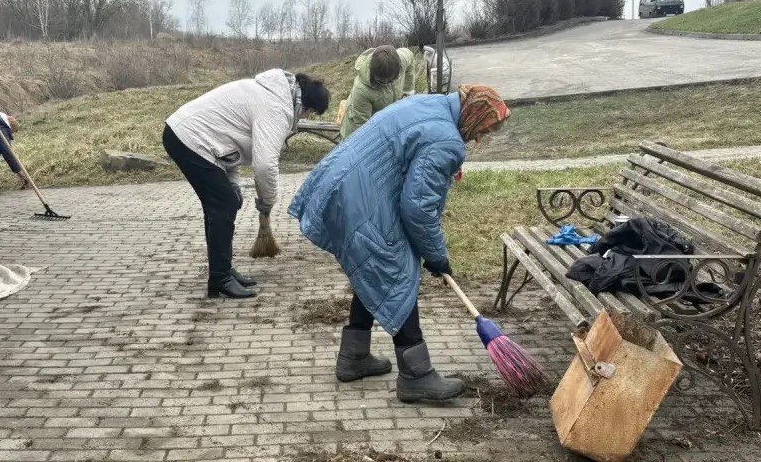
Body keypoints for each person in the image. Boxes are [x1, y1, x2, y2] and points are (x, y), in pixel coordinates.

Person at [290, 85, 511, 403]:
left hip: (338, 184)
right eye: (483, 129)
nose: (479, 137)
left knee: (374, 268)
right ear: (474, 114)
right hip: (359, 200)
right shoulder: (447, 141)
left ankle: (354, 357)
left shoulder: (430, 104)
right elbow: (418, 208)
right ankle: (417, 376)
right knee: (398, 272)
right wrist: (437, 256)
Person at [164, 69, 330, 299]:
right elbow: (264, 165)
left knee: (222, 204)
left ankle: (222, 270)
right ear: (306, 106)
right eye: (310, 114)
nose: (307, 119)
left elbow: (228, 147)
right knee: (223, 205)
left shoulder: (272, 94)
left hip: (187, 135)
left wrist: (232, 184)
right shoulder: (276, 108)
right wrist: (267, 201)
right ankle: (220, 278)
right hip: (189, 137)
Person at [339, 44, 423, 139]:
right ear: (374, 74)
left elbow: (410, 58)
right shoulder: (361, 90)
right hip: (358, 125)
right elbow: (363, 128)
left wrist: (408, 91)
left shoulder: (402, 59)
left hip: (386, 117)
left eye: (392, 80)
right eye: (383, 82)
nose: (388, 84)